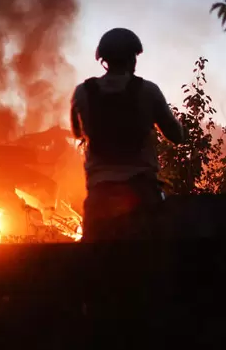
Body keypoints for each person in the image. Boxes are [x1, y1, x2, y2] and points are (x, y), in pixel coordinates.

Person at [71, 28, 185, 241]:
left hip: (99, 195)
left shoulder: (82, 92)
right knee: (151, 260)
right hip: (141, 192)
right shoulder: (148, 91)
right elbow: (177, 136)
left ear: (103, 60)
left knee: (93, 265)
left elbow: (77, 133)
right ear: (133, 59)